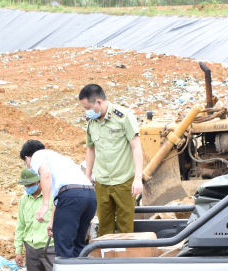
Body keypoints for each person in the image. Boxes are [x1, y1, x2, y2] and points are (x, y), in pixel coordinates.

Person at [79, 84, 144, 236]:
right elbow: (91, 149)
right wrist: (87, 177)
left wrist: (138, 178)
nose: (86, 112)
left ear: (99, 102)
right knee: (104, 228)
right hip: (102, 182)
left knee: (125, 228)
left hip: (124, 181)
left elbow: (136, 147)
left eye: (88, 107)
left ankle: (125, 258)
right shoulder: (92, 123)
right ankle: (106, 257)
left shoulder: (123, 117)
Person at [20, 140, 96, 258]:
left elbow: (46, 174)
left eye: (25, 162)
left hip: (72, 197)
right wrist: (52, 222)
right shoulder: (60, 160)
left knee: (63, 246)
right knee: (78, 243)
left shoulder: (36, 156)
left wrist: (45, 204)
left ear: (27, 158)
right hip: (90, 196)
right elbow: (58, 197)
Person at [14, 167, 55, 271]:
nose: (28, 188)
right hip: (30, 248)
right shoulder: (24, 199)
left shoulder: (51, 197)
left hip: (49, 247)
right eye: (25, 186)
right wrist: (18, 250)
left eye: (30, 185)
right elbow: (20, 225)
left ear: (40, 181)